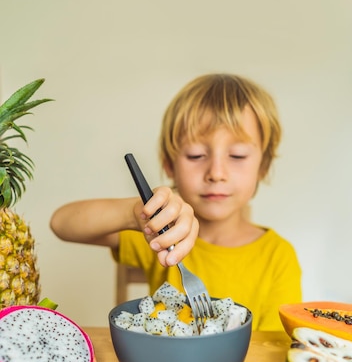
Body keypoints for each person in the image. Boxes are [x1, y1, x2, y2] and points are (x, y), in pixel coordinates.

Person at [50, 73, 302, 330]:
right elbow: (62, 223)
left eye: (237, 155)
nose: (216, 173)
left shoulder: (279, 257)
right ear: (169, 164)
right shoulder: (159, 233)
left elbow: (274, 349)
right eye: (196, 155)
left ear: (263, 166)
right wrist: (135, 213)